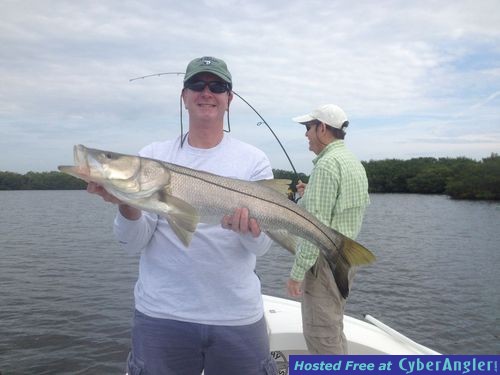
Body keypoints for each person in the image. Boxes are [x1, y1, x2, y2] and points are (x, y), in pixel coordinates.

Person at [88, 56, 278, 375]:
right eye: (196, 85)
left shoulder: (254, 161)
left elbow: (262, 248)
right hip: (162, 316)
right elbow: (131, 243)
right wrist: (127, 203)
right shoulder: (152, 156)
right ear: (184, 96)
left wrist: (250, 230)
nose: (207, 92)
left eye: (217, 86)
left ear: (229, 98)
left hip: (237, 317)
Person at [286, 104, 370, 354]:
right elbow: (334, 214)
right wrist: (307, 195)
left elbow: (316, 229)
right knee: (333, 328)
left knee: (321, 335)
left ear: (322, 128)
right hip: (344, 260)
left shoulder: (325, 166)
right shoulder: (351, 162)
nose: (306, 135)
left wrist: (297, 272)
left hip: (324, 263)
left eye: (308, 128)